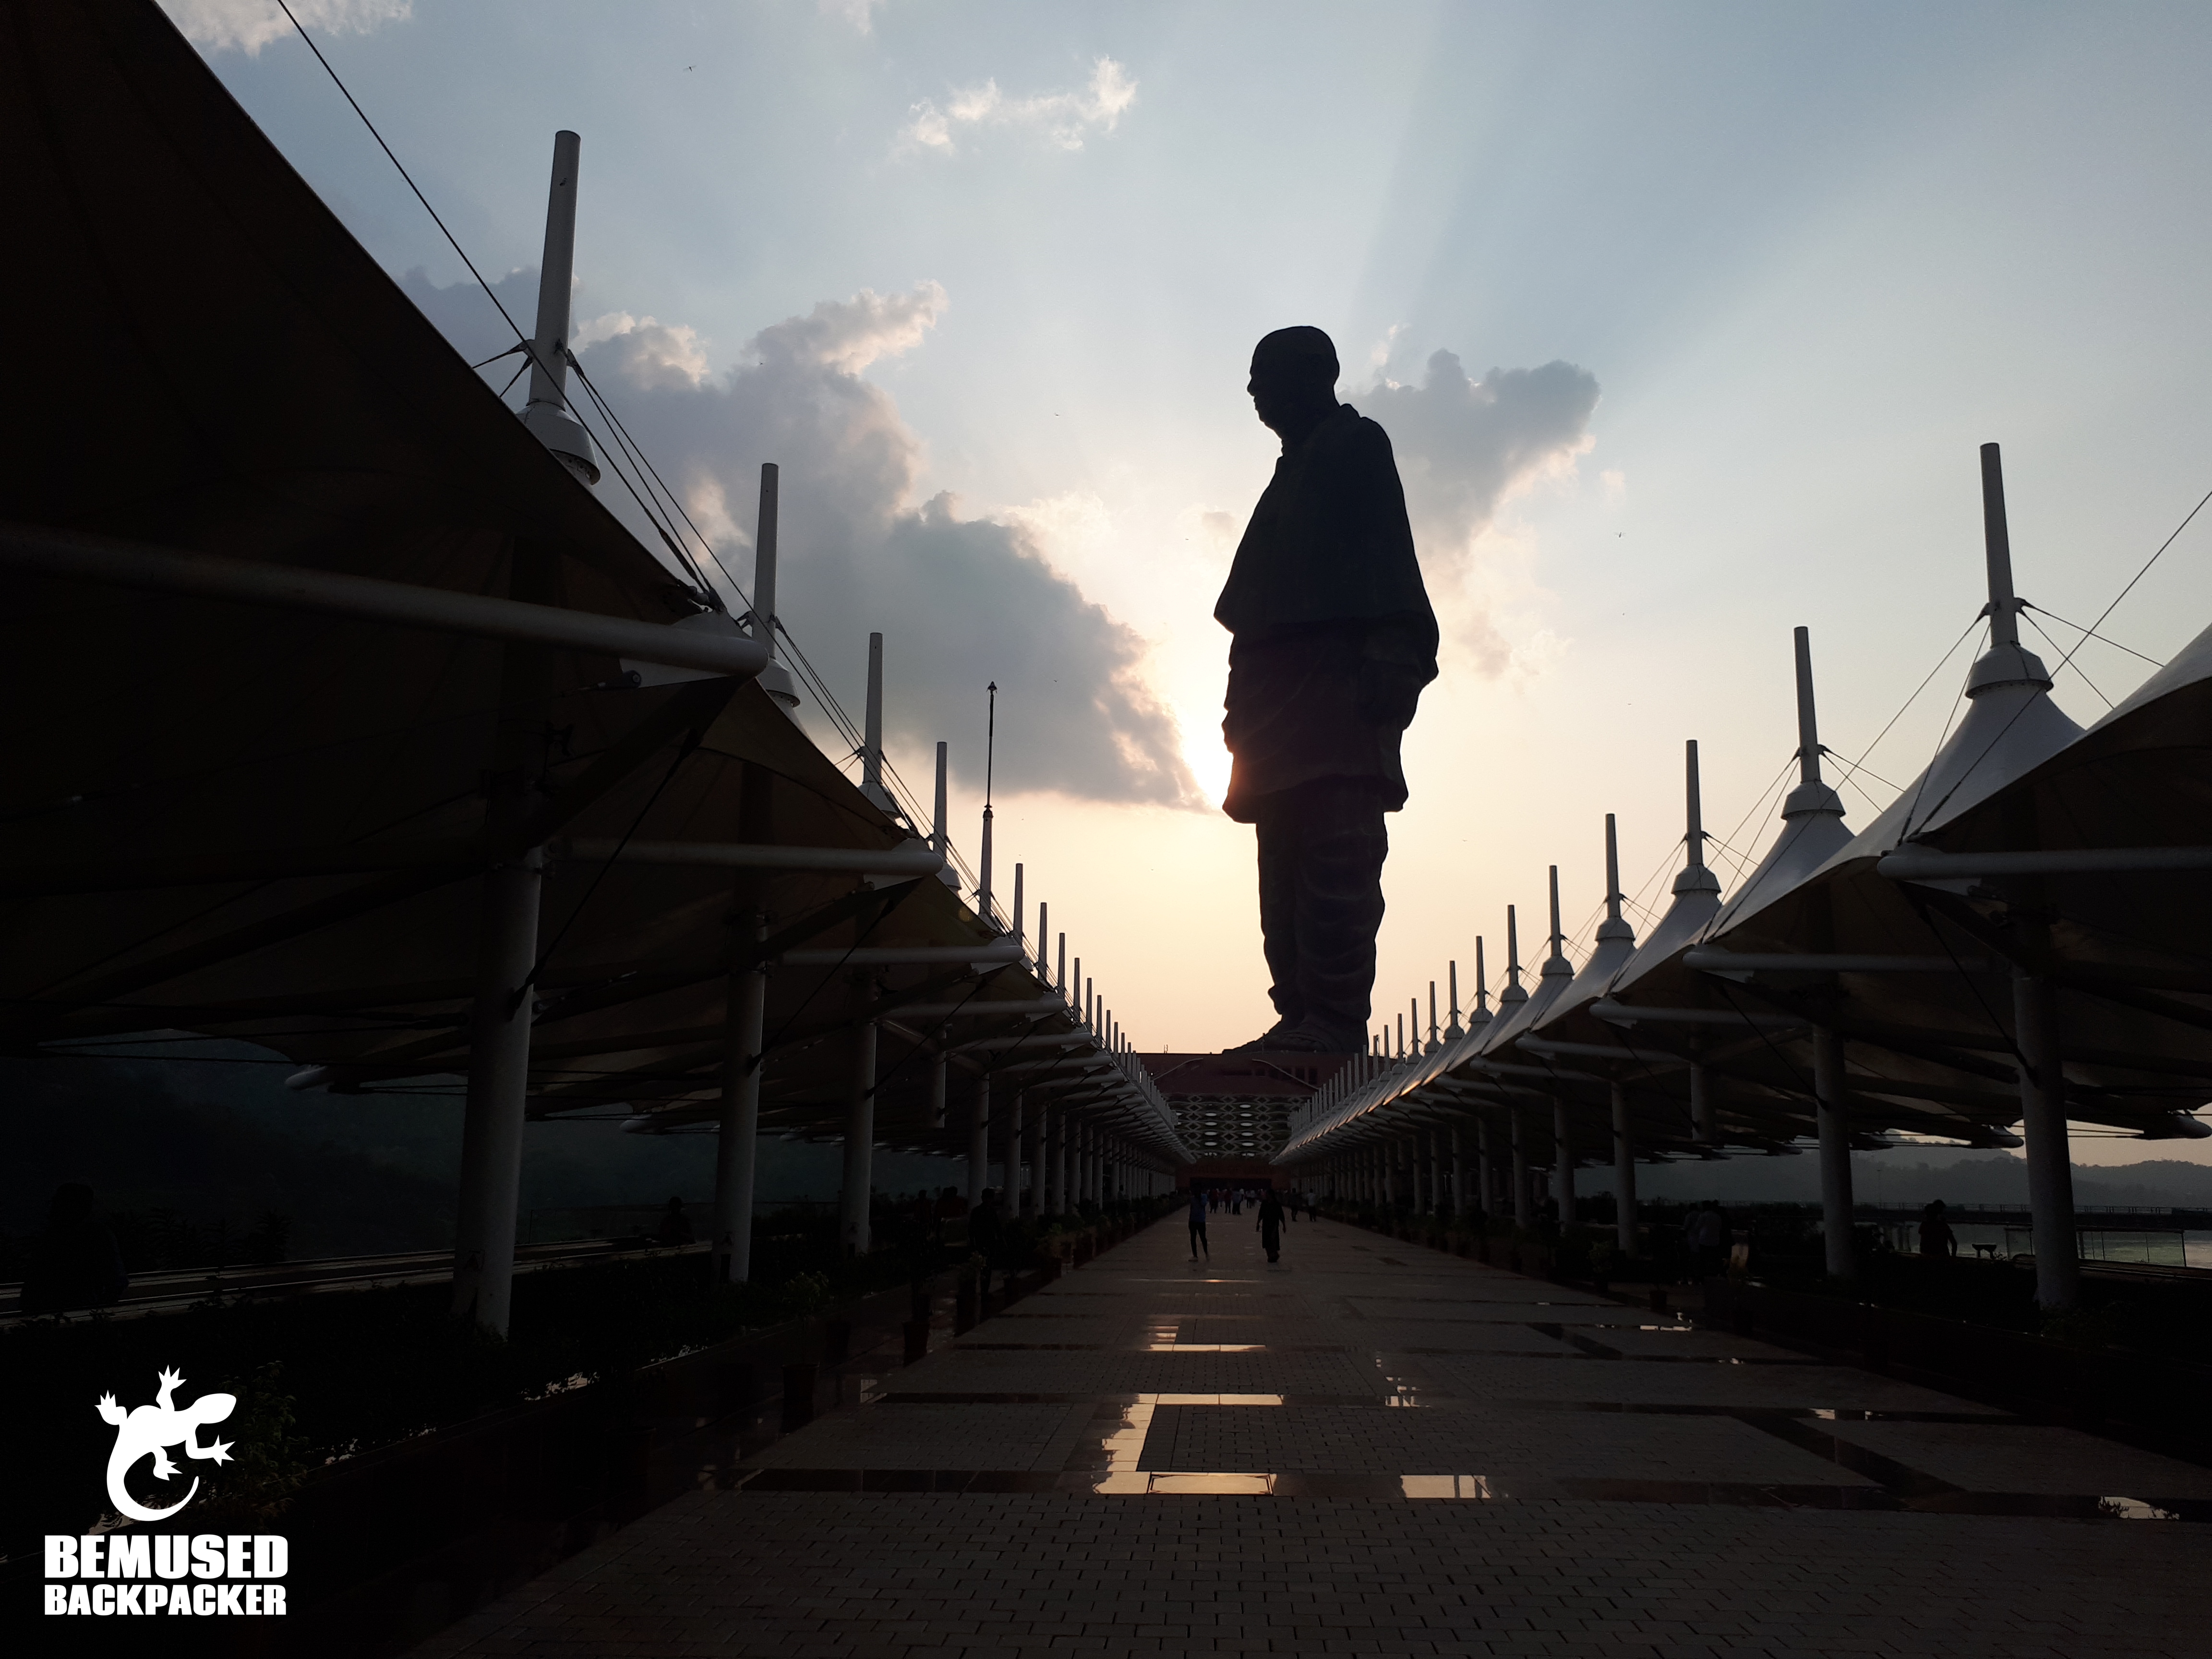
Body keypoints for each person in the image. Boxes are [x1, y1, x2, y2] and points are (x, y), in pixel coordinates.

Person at [1217, 325, 1438, 1055]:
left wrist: (1392, 654)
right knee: (1278, 870)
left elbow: (1388, 559)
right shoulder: (1287, 474)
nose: (1254, 391)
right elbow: (1251, 612)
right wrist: (1236, 703)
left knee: (1336, 854)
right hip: (1273, 705)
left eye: (1266, 374)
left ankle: (1336, 1021)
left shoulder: (1355, 446)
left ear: (1315, 374)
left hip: (1336, 689)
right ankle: (1299, 1012)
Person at [20, 1183, 126, 1315]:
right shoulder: (97, 1235)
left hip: (59, 1315)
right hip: (76, 1314)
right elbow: (117, 1281)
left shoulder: (52, 1238)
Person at [1919, 1199, 1959, 1263]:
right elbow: (1954, 1243)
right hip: (1943, 1256)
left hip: (1927, 1257)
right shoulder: (1943, 1226)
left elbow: (1923, 1243)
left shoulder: (1925, 1225)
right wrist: (1953, 1258)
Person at [1257, 1189, 1287, 1264]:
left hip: (1274, 1224)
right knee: (1266, 1240)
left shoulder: (1276, 1204)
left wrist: (1284, 1225)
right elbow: (1261, 1214)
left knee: (1273, 1239)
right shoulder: (1265, 1203)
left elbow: (1281, 1215)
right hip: (1266, 1224)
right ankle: (1270, 1255)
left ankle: (1274, 1254)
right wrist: (1258, 1223)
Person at [1187, 1187, 1210, 1262]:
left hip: (1201, 1221)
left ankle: (1206, 1252)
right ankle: (1195, 1255)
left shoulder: (1204, 1197)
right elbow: (1192, 1209)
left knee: (1203, 1238)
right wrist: (1190, 1220)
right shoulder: (1193, 1199)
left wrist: (1199, 1198)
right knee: (1193, 1238)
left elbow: (1203, 1204)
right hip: (1193, 1221)